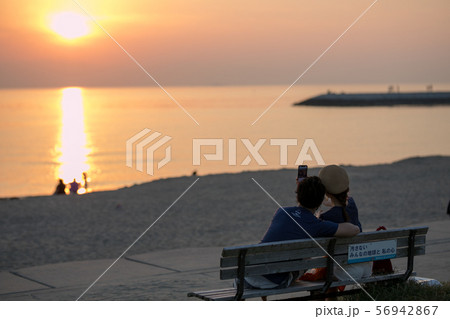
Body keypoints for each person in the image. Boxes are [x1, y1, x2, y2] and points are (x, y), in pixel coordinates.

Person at [243, 176, 360, 290]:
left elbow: (298, 216)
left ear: (298, 196)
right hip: (274, 282)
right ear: (320, 202)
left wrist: (302, 188)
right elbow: (354, 229)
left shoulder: (281, 211)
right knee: (306, 259)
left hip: (247, 276)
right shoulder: (316, 225)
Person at [317, 165, 372, 281]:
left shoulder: (325, 217)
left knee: (321, 276)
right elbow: (341, 205)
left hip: (346, 270)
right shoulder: (352, 204)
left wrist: (318, 216)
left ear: (326, 192)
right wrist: (330, 200)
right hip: (365, 266)